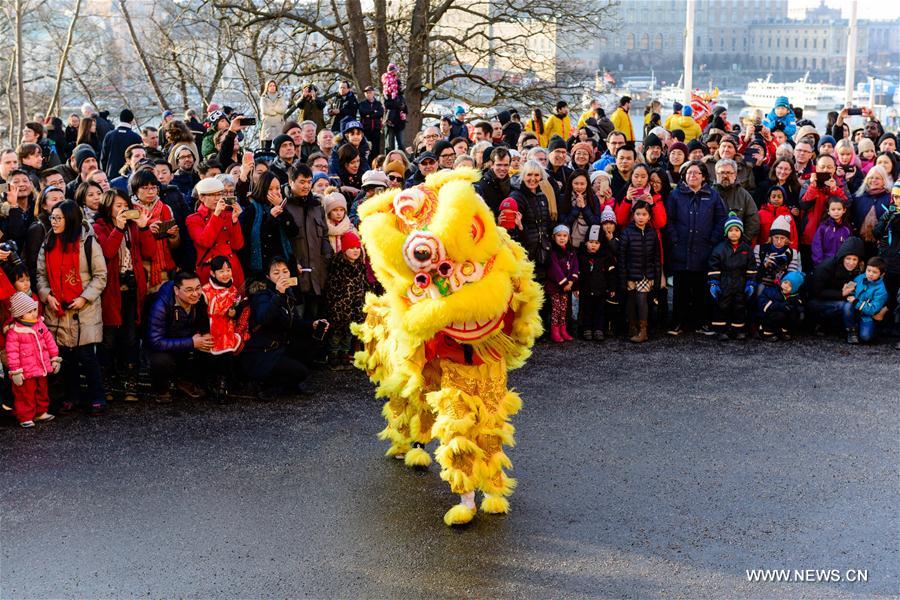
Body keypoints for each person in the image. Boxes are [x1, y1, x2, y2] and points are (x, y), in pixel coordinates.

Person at [36, 199, 108, 415]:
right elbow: (40, 275)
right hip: (57, 309)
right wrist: (47, 296)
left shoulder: (88, 242)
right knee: (65, 358)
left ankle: (97, 397)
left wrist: (84, 298)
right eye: (52, 217)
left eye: (59, 218)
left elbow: (100, 276)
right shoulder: (48, 242)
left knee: (87, 357)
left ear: (70, 219)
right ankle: (72, 397)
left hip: (83, 310)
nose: (54, 222)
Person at [241, 257, 328, 396]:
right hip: (262, 353)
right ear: (268, 276)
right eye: (276, 273)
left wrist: (312, 324)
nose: (282, 276)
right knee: (301, 372)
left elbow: (294, 322)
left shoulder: (288, 292)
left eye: (285, 271)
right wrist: (278, 295)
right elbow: (263, 318)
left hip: (280, 347)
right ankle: (265, 385)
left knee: (313, 341)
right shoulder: (262, 295)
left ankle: (287, 383)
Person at [92, 189, 148, 402]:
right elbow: (107, 252)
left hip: (132, 291)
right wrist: (118, 228)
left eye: (126, 205)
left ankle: (131, 383)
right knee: (108, 338)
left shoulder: (133, 226)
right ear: (108, 207)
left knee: (131, 338)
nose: (123, 209)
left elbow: (149, 252)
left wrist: (144, 228)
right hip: (110, 291)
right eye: (118, 206)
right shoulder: (98, 227)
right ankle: (105, 383)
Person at [665, 161, 727, 335]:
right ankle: (678, 322)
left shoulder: (713, 195)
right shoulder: (675, 195)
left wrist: (712, 240)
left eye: (696, 173)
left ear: (703, 176)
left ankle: (701, 323)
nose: (692, 176)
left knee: (702, 289)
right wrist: (674, 240)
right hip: (681, 249)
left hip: (704, 249)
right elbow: (668, 220)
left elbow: (721, 220)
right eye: (689, 173)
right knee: (681, 289)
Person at [146, 271, 211, 403]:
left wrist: (206, 337)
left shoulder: (199, 299)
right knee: (161, 361)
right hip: (162, 346)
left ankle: (185, 381)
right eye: (189, 290)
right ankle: (161, 389)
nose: (195, 293)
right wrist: (192, 342)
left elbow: (204, 324)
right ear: (176, 290)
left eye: (198, 288)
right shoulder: (160, 305)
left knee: (209, 346)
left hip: (186, 340)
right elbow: (155, 342)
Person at [5, 292, 61, 428]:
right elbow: (12, 353)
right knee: (26, 394)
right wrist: (15, 371)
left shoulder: (40, 325)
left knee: (42, 390)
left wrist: (54, 358)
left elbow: (49, 341)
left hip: (41, 366)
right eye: (29, 312)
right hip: (25, 371)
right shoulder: (15, 331)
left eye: (34, 310)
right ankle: (25, 416)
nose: (34, 313)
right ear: (20, 315)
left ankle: (41, 412)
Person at [284, 165, 332, 318]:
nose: (306, 186)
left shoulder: (316, 206)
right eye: (302, 182)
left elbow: (325, 235)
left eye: (309, 182)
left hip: (318, 275)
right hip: (295, 276)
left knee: (317, 320)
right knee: (297, 320)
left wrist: (326, 258)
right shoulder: (284, 206)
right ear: (291, 182)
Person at [202, 255, 247, 402]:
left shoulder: (233, 289)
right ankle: (211, 384)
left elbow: (235, 310)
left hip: (227, 329)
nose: (226, 274)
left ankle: (224, 384)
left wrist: (234, 313)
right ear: (212, 273)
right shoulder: (205, 291)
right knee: (211, 358)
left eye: (228, 270)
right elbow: (202, 314)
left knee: (227, 357)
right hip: (211, 329)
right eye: (221, 271)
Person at [186, 177, 245, 287]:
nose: (217, 198)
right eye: (212, 195)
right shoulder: (193, 219)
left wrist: (235, 221)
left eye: (219, 194)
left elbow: (238, 245)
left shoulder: (228, 215)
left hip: (231, 268)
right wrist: (216, 215)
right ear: (202, 197)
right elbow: (205, 242)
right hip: (210, 270)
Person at [708, 213, 757, 341]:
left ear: (741, 232)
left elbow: (751, 268)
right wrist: (714, 283)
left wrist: (750, 283)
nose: (734, 233)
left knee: (739, 306)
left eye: (736, 230)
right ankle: (721, 330)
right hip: (725, 281)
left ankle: (738, 330)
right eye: (730, 230)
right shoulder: (719, 249)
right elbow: (714, 267)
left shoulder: (747, 249)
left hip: (740, 281)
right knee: (722, 306)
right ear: (726, 232)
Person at [617, 200, 660, 343]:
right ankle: (632, 327)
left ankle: (643, 331)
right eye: (638, 214)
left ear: (649, 216)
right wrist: (623, 279)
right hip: (630, 274)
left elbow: (656, 258)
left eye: (644, 214)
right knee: (630, 301)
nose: (641, 217)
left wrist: (656, 278)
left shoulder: (652, 233)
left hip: (645, 275)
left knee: (642, 301)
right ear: (633, 215)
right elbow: (622, 258)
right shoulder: (626, 232)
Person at [324, 230, 365, 369]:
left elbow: (361, 286)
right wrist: (335, 309)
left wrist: (360, 306)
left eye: (357, 247)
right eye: (352, 248)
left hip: (354, 307)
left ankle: (345, 355)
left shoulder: (359, 265)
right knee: (336, 335)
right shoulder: (338, 265)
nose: (356, 250)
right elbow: (332, 291)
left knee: (348, 335)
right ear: (344, 249)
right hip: (339, 309)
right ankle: (334, 357)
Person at [808, 236, 865, 336]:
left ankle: (838, 327)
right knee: (845, 305)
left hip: (837, 297)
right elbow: (815, 291)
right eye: (848, 258)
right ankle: (848, 331)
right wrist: (841, 293)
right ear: (842, 257)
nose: (851, 263)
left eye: (854, 259)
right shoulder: (826, 267)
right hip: (816, 301)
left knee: (851, 303)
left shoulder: (858, 269)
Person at [509, 160, 553, 281]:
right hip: (525, 253)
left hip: (542, 253)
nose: (533, 179)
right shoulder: (516, 197)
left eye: (536, 175)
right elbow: (512, 231)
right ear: (523, 176)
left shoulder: (542, 196)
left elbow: (546, 224)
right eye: (529, 174)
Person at [576, 224, 613, 341]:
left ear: (601, 244)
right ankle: (587, 328)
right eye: (591, 242)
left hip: (600, 289)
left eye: (596, 243)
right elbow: (577, 273)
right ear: (586, 242)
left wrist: (612, 287)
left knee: (600, 310)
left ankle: (599, 329)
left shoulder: (604, 256)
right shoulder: (581, 256)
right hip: (585, 289)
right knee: (586, 309)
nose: (593, 245)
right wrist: (576, 287)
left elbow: (610, 273)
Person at [843, 257, 889, 344]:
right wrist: (848, 292)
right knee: (847, 306)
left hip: (867, 317)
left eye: (874, 272)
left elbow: (873, 310)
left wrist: (856, 302)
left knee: (865, 337)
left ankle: (871, 329)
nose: (870, 274)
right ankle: (851, 331)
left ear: (882, 274)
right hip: (854, 311)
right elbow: (851, 288)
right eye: (868, 270)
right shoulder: (860, 278)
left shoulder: (881, 290)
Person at [714, 158, 760, 244]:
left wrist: (743, 240)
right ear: (716, 174)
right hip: (713, 245)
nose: (725, 176)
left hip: (737, 245)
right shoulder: (709, 194)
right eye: (722, 172)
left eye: (728, 173)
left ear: (735, 175)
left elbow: (753, 220)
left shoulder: (744, 195)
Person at [546, 224, 578, 343]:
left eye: (565, 235)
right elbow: (555, 269)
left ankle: (563, 330)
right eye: (559, 235)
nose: (562, 238)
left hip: (567, 286)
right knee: (556, 308)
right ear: (554, 237)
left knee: (564, 308)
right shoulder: (553, 252)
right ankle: (554, 331)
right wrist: (564, 283)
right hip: (555, 286)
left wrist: (571, 281)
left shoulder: (571, 251)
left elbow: (575, 266)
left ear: (568, 237)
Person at [873, 182, 900, 319]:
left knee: (896, 291)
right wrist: (885, 219)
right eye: (895, 197)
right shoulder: (889, 212)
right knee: (886, 289)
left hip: (897, 260)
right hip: (886, 259)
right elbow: (876, 233)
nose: (897, 200)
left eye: (899, 197)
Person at [758, 270, 804, 340]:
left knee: (794, 313)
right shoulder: (772, 291)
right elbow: (764, 305)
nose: (786, 286)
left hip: (782, 315)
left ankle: (783, 331)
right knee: (778, 314)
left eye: (790, 285)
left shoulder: (795, 296)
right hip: (766, 314)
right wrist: (781, 306)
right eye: (785, 282)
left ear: (794, 289)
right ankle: (766, 332)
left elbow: (799, 306)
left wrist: (799, 311)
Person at [100, 109, 142, 178]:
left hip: (111, 174)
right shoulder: (136, 137)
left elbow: (103, 158)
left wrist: (104, 173)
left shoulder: (109, 135)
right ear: (131, 120)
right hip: (129, 176)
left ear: (120, 119)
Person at [811, 199, 851, 266]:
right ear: (828, 211)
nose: (836, 212)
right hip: (825, 263)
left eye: (839, 209)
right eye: (833, 209)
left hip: (841, 264)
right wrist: (820, 264)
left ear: (844, 210)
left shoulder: (847, 228)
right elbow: (817, 247)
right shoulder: (823, 228)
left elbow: (849, 248)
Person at [259, 80, 287, 151]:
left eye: (274, 85)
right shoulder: (263, 98)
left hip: (279, 124)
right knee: (267, 146)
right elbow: (264, 110)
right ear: (267, 87)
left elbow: (283, 109)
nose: (272, 87)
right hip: (268, 124)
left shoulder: (281, 97)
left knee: (279, 145)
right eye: (270, 86)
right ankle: (266, 157)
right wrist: (275, 112)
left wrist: (273, 108)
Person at [358, 86, 384, 155]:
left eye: (370, 92)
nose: (368, 94)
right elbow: (363, 112)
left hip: (376, 129)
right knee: (366, 147)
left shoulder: (378, 104)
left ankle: (375, 161)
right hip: (365, 129)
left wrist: (369, 115)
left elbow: (380, 113)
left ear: (373, 93)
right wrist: (374, 112)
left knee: (376, 148)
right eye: (366, 93)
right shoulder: (362, 104)